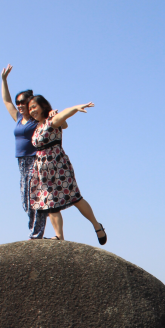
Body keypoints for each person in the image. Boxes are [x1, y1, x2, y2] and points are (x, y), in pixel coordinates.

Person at [27, 95, 107, 244]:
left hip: (58, 167)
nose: (32, 110)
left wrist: (76, 108)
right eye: (29, 108)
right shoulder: (37, 126)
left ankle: (97, 226)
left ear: (43, 106)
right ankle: (59, 236)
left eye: (34, 107)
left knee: (75, 198)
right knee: (50, 203)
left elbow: (65, 114)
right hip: (43, 171)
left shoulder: (53, 120)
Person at [1, 65, 47, 240]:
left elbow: (55, 121)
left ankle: (36, 234)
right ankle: (33, 230)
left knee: (35, 197)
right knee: (26, 201)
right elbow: (6, 101)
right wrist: (4, 81)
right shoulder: (19, 118)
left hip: (35, 160)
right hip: (21, 163)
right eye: (18, 102)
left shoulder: (37, 120)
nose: (19, 105)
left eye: (23, 102)